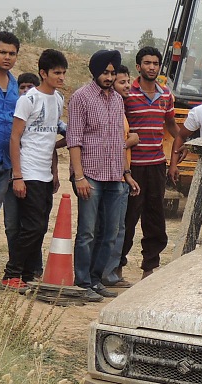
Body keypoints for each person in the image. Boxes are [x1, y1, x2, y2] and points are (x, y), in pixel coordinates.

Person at [68, 49, 138, 301]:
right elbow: (73, 140)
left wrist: (126, 173)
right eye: (105, 73)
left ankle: (96, 280)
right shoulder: (80, 98)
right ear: (95, 72)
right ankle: (82, 282)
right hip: (90, 175)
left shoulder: (118, 100)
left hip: (114, 176)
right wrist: (79, 177)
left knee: (110, 232)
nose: (109, 77)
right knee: (87, 232)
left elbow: (119, 142)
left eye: (112, 73)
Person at [1, 49, 68, 290]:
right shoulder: (28, 99)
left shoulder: (58, 99)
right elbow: (15, 138)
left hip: (46, 173)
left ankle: (27, 274)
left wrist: (55, 172)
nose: (61, 77)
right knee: (33, 226)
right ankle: (11, 274)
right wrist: (17, 176)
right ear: (43, 73)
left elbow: (52, 136)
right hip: (28, 172)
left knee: (39, 226)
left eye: (63, 73)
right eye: (56, 73)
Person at [120, 46, 180, 280]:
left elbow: (172, 125)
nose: (152, 67)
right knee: (127, 218)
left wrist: (182, 143)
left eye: (155, 63)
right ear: (138, 67)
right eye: (147, 63)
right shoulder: (127, 94)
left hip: (157, 165)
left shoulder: (166, 95)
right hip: (133, 167)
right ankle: (117, 266)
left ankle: (149, 268)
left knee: (155, 218)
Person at [101, 65, 141, 288]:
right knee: (110, 227)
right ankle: (104, 273)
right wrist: (130, 141)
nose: (127, 86)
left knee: (119, 228)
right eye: (122, 82)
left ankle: (112, 272)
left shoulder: (121, 109)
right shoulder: (110, 109)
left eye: (128, 82)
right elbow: (107, 145)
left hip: (122, 174)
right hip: (111, 175)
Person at [0, 32, 20, 234]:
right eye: (2, 52)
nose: (7, 57)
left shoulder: (15, 85)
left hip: (6, 161)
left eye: (12, 53)